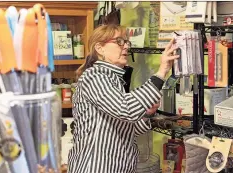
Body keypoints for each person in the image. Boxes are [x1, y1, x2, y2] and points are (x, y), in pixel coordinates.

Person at [68, 24, 179, 173]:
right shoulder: (94, 77)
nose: (126, 46)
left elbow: (127, 128)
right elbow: (126, 110)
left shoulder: (113, 80)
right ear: (100, 48)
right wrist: (161, 72)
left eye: (127, 42)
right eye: (119, 41)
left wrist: (146, 114)